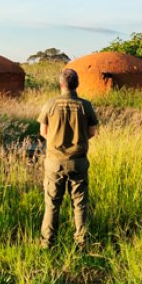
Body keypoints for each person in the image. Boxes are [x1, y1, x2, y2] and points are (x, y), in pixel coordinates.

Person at [38, 68, 99, 249]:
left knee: (52, 204)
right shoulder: (85, 105)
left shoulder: (50, 104)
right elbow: (92, 132)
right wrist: (77, 141)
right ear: (76, 84)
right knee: (80, 204)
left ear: (61, 84)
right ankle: (81, 243)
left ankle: (47, 243)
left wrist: (57, 141)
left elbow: (43, 131)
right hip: (78, 161)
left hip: (54, 162)